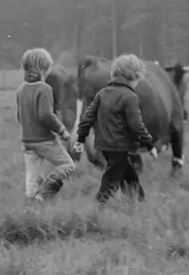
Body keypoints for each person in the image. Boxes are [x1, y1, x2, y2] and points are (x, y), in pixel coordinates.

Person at [75, 53, 155, 203]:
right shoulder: (130, 97)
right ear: (134, 76)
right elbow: (136, 126)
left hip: (104, 146)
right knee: (111, 181)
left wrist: (81, 138)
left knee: (129, 175)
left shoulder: (102, 93)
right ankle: (98, 208)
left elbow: (87, 118)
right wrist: (149, 144)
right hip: (119, 146)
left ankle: (138, 203)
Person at [15, 48, 76, 202]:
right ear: (43, 69)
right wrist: (62, 131)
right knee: (67, 165)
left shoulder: (21, 90)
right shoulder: (45, 89)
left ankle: (30, 208)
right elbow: (46, 115)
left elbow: (19, 116)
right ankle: (45, 195)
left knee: (32, 179)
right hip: (43, 140)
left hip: (26, 141)